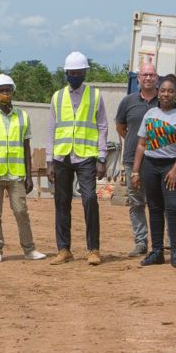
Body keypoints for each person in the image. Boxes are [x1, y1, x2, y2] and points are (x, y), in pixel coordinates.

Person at [0, 74, 46, 263]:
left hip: (16, 174)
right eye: (1, 91)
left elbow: (26, 148)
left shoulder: (23, 116)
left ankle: (29, 249)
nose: (5, 93)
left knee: (21, 212)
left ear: (13, 92)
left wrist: (29, 176)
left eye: (7, 90)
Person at [47, 51, 108, 266]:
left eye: (78, 72)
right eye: (71, 72)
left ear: (84, 73)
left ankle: (94, 249)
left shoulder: (95, 95)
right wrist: (49, 161)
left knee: (90, 199)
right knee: (61, 203)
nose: (75, 75)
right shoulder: (57, 96)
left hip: (86, 156)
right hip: (62, 156)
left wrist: (102, 158)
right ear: (66, 73)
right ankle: (64, 249)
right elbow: (51, 129)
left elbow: (102, 126)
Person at [132, 75, 176, 268]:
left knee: (174, 208)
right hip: (150, 166)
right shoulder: (150, 115)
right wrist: (135, 171)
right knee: (155, 208)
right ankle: (157, 251)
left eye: (171, 91)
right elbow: (141, 144)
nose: (166, 94)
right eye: (163, 90)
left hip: (172, 166)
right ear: (158, 92)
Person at [115, 62, 158, 257]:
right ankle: (141, 242)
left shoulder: (165, 100)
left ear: (157, 78)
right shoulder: (128, 101)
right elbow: (121, 127)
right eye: (144, 75)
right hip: (133, 159)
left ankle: (166, 241)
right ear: (138, 78)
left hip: (159, 159)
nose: (148, 78)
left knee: (161, 202)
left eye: (151, 75)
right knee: (136, 202)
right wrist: (135, 142)